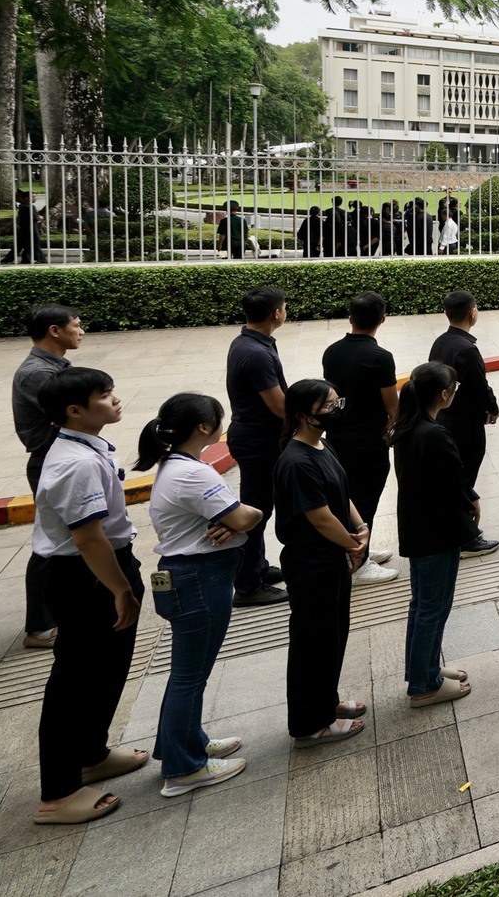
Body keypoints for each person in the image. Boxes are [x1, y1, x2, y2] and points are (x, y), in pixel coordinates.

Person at [29, 368, 146, 825]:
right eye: (104, 395)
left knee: (108, 667)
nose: (115, 400)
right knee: (74, 682)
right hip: (86, 578)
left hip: (101, 568)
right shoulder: (74, 464)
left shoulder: (85, 447)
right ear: (74, 411)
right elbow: (88, 538)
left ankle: (90, 755)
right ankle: (56, 795)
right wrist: (120, 588)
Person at [137, 392, 256, 797]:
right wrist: (247, 516)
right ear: (204, 427)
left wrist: (233, 520)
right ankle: (184, 768)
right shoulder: (193, 473)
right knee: (191, 675)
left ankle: (184, 743)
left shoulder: (179, 465)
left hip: (193, 576)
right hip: (198, 579)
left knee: (190, 673)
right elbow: (242, 516)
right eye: (218, 417)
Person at [274, 378, 368, 748]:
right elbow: (319, 516)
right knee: (313, 643)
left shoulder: (320, 445)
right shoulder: (296, 461)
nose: (336, 410)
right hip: (311, 564)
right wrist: (352, 545)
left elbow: (339, 496)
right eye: (328, 406)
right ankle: (310, 724)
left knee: (331, 637)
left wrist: (360, 527)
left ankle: (326, 704)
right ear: (303, 415)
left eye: (336, 401)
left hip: (330, 559)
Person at [391, 362, 478, 708]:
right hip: (437, 532)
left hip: (419, 528)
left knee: (422, 605)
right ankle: (424, 684)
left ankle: (425, 670)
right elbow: (451, 482)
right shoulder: (433, 433)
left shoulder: (408, 425)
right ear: (443, 395)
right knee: (432, 607)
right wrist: (470, 501)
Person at [320, 292, 401, 585]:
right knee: (364, 501)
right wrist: (393, 432)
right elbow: (392, 405)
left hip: (338, 437)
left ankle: (357, 548)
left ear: (350, 318)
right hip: (368, 442)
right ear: (382, 320)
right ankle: (358, 562)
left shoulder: (332, 351)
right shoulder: (380, 358)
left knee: (345, 498)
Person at [12, 303, 80, 651]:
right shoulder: (36, 374)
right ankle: (39, 627)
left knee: (67, 537)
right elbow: (74, 413)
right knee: (50, 542)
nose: (80, 330)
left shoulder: (54, 366)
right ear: (55, 331)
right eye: (75, 325)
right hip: (50, 462)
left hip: (61, 460)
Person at [226, 287, 291, 606]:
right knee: (255, 512)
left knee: (260, 509)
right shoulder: (255, 353)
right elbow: (279, 406)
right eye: (284, 307)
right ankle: (249, 584)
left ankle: (258, 567)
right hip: (259, 441)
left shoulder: (250, 342)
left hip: (256, 437)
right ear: (276, 314)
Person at [427, 290, 499, 557]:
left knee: (454, 475)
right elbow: (479, 386)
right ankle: (464, 537)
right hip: (465, 423)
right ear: (472, 313)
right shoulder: (468, 349)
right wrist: (492, 408)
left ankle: (454, 529)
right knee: (464, 475)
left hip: (444, 417)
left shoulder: (440, 342)